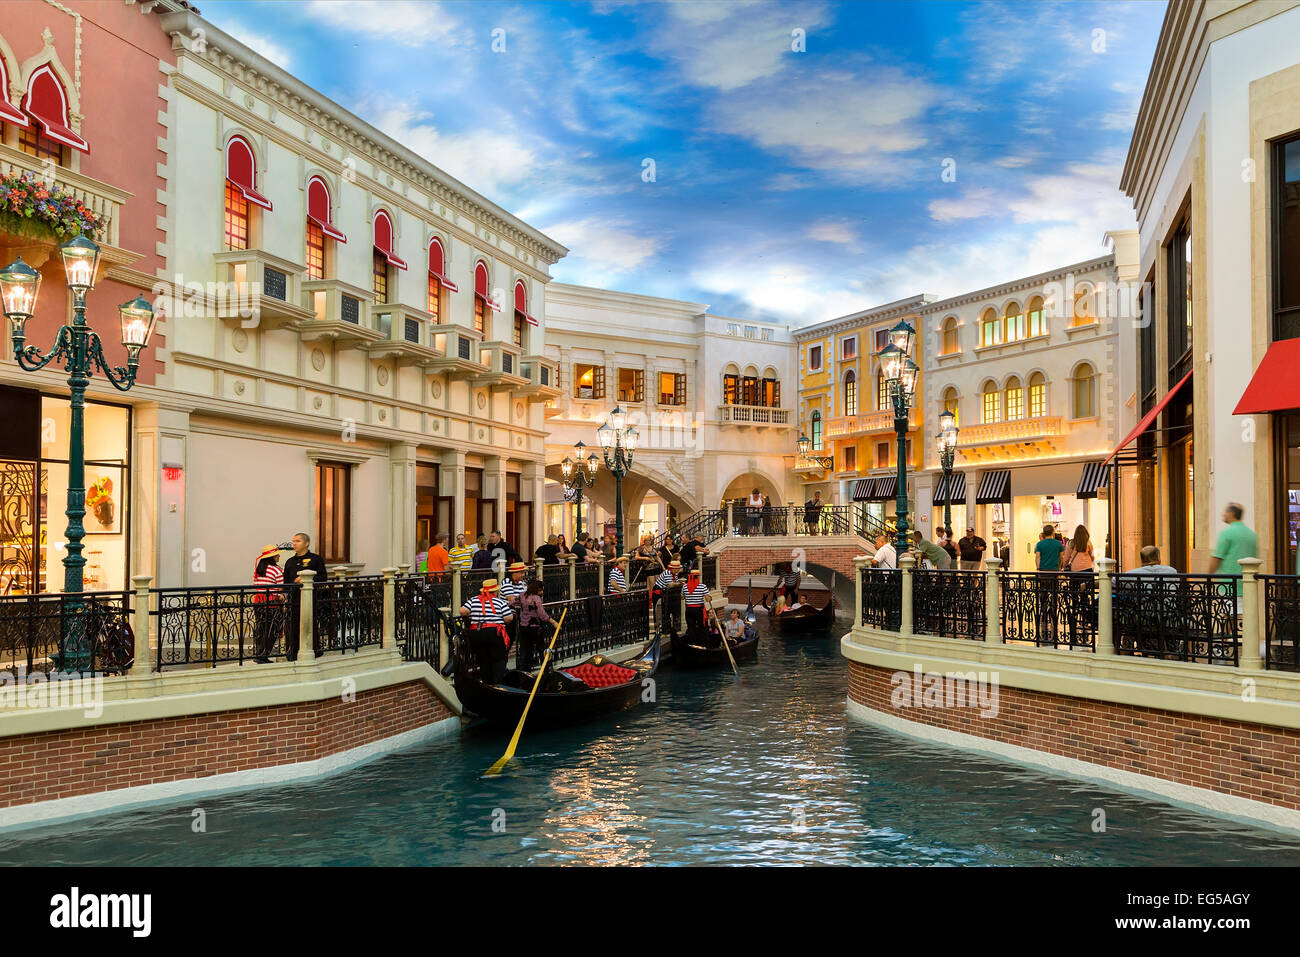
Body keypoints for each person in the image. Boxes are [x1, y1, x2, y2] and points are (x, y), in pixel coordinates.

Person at [459, 578, 514, 684]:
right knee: (499, 659)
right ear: (495, 591)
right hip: (494, 634)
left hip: (477, 634)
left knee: (483, 659)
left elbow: (462, 611)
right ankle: (497, 683)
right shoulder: (500, 602)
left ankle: (487, 682)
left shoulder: (473, 600)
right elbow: (509, 618)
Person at [282, 531, 327, 661]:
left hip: (310, 600)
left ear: (306, 543)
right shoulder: (290, 562)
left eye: (297, 541)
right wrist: (285, 594)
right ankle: (292, 652)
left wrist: (306, 579)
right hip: (293, 600)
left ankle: (314, 650)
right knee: (292, 625)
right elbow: (286, 581)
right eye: (293, 541)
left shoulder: (316, 559)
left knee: (309, 624)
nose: (294, 543)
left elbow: (323, 578)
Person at [1208, 502, 1258, 594]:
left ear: (1232, 514)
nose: (1223, 514)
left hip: (1229, 587)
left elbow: (1216, 558)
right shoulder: (1252, 535)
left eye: (1225, 512)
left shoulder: (1227, 533)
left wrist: (1208, 577)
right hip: (1249, 587)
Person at [252, 543, 283, 663]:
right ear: (272, 557)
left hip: (258, 601)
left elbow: (256, 585)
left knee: (261, 628)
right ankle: (263, 655)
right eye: (276, 554)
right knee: (272, 629)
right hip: (271, 602)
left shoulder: (258, 570)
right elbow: (280, 587)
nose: (279, 556)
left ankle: (259, 653)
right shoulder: (276, 569)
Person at [515, 579, 552, 671]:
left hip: (523, 627)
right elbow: (542, 615)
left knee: (525, 651)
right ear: (537, 589)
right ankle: (546, 670)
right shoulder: (536, 598)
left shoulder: (522, 595)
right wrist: (553, 622)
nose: (542, 592)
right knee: (541, 649)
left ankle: (525, 672)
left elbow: (512, 603)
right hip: (535, 628)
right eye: (541, 590)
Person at [652, 559, 682, 634]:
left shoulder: (675, 574)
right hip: (658, 593)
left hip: (666, 593)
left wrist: (678, 583)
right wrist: (680, 583)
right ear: (673, 568)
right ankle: (658, 627)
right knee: (659, 610)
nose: (678, 570)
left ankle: (667, 628)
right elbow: (671, 584)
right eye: (677, 569)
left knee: (667, 610)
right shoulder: (667, 573)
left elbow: (675, 583)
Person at [683, 567, 711, 640]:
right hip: (699, 610)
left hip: (689, 610)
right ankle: (704, 643)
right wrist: (710, 597)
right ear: (698, 577)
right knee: (702, 627)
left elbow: (682, 597)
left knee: (691, 627)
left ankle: (692, 643)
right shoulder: (702, 586)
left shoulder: (684, 586)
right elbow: (708, 599)